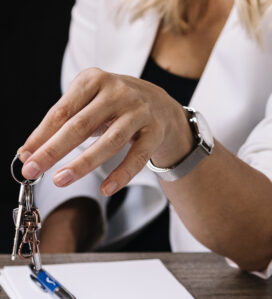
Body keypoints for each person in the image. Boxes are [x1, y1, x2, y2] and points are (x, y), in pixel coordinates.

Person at [20, 0, 272, 278]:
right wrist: (58, 254)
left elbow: (262, 240)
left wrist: (176, 130)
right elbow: (79, 139)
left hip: (225, 275)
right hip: (115, 258)